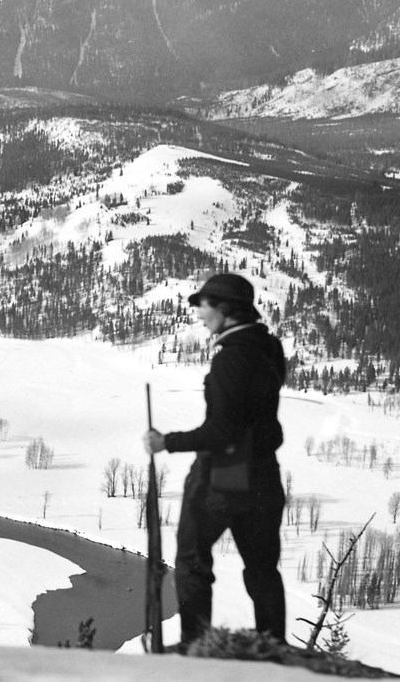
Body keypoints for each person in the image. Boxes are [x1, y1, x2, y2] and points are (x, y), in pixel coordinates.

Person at [143, 273, 288, 650]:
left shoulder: (230, 359)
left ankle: (196, 645)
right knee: (261, 568)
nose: (200, 314)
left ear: (224, 309)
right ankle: (273, 646)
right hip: (264, 475)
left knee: (191, 560)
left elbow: (223, 429)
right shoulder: (268, 349)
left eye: (204, 306)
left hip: (222, 477)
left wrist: (166, 442)